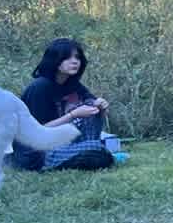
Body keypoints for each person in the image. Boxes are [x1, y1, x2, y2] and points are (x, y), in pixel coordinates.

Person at [13, 38, 118, 171]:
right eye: (67, 58)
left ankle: (91, 151)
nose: (75, 61)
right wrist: (73, 115)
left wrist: (101, 106)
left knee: (92, 107)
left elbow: (94, 111)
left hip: (62, 142)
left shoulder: (72, 84)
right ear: (54, 60)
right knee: (97, 149)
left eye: (77, 57)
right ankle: (93, 152)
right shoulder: (39, 88)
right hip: (38, 153)